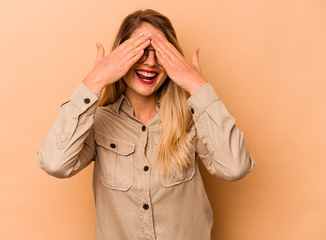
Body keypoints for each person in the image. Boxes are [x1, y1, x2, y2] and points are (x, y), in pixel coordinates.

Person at [37, 8, 255, 240]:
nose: (150, 62)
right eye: (140, 52)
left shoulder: (192, 120)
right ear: (119, 58)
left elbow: (235, 167)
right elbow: (55, 163)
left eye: (159, 53)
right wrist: (95, 80)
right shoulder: (98, 123)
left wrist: (197, 85)